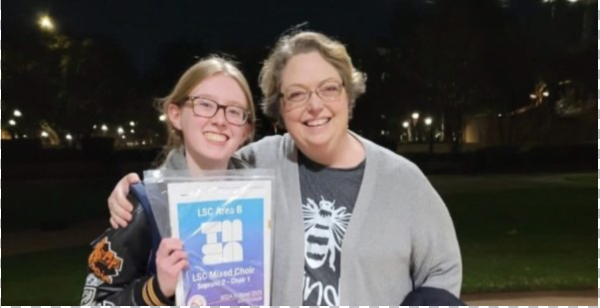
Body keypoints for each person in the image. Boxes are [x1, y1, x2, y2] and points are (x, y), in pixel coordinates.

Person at [107, 31, 462, 305]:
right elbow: (202, 165)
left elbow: (442, 271)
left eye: (328, 89)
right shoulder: (258, 166)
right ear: (280, 108)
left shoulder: (403, 181)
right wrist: (140, 190)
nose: (315, 106)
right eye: (296, 94)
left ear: (348, 96)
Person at [81, 56, 257, 306]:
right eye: (205, 105)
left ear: (246, 131)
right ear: (175, 114)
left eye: (234, 111)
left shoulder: (260, 203)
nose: (220, 120)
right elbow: (93, 302)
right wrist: (156, 289)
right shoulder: (144, 205)